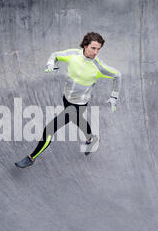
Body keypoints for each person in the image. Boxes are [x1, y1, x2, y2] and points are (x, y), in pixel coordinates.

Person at [15, 32, 121, 168]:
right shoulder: (73, 55)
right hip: (66, 98)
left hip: (79, 104)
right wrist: (50, 63)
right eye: (93, 48)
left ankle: (31, 158)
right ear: (85, 45)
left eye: (98, 49)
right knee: (78, 120)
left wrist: (114, 96)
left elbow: (117, 75)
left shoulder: (98, 66)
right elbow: (55, 55)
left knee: (49, 130)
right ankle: (91, 138)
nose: (96, 52)